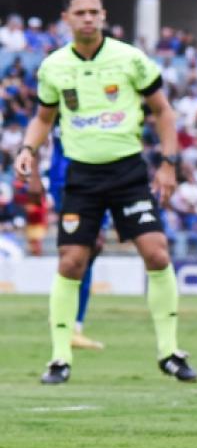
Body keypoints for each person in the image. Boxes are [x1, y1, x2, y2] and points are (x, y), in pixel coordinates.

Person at [14, 0, 197, 385]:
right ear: (66, 19)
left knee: (157, 253)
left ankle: (169, 351)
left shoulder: (130, 59)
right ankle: (60, 359)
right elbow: (44, 118)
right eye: (80, 12)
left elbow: (163, 112)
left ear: (104, 16)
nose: (88, 18)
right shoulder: (53, 67)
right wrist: (28, 148)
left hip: (128, 173)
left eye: (94, 12)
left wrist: (168, 164)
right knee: (71, 262)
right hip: (81, 175)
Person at [47, 122, 105, 350]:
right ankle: (67, 324)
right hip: (73, 182)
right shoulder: (65, 102)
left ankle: (72, 324)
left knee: (89, 250)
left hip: (94, 179)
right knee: (78, 252)